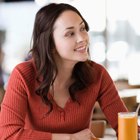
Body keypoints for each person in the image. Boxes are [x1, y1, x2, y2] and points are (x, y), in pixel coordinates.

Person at [0, 2, 130, 140]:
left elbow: (125, 126)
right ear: (50, 44)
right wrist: (70, 138)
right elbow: (8, 134)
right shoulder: (23, 75)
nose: (82, 38)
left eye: (83, 28)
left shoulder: (97, 74)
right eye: (70, 33)